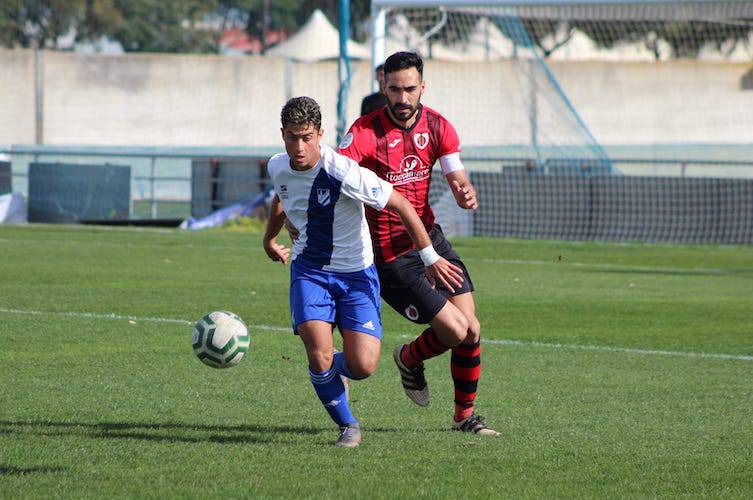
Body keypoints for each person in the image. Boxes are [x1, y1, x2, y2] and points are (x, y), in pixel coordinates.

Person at [263, 96, 464, 448]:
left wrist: (429, 256)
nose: (299, 146)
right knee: (318, 349)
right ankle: (348, 426)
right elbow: (282, 196)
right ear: (282, 135)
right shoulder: (277, 165)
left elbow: (400, 203)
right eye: (292, 137)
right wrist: (269, 238)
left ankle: (327, 369)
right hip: (309, 270)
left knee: (362, 366)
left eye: (307, 137)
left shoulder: (343, 171)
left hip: (356, 275)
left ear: (320, 134)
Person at [338, 51, 499, 436]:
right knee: (456, 331)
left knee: (471, 329)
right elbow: (336, 174)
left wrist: (464, 189)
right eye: (395, 89)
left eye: (410, 88)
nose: (403, 98)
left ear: (422, 86)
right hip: (390, 256)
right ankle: (410, 357)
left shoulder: (439, 126)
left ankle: (463, 415)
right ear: (383, 87)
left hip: (431, 239)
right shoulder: (363, 133)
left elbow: (455, 172)